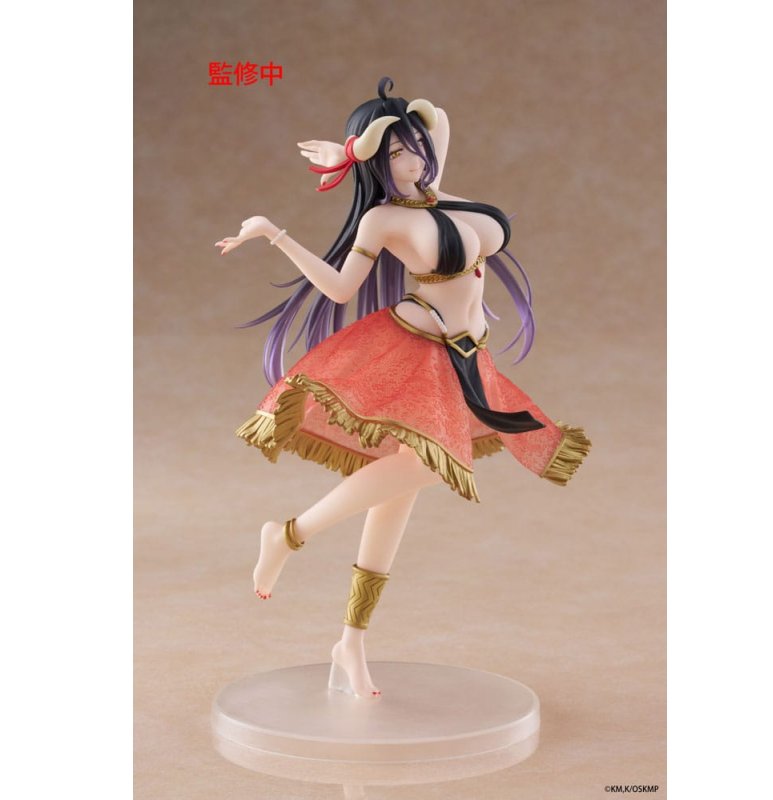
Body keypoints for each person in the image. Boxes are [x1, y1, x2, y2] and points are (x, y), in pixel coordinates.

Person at [215, 78, 590, 699]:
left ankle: (351, 642)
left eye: (414, 146)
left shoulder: (439, 193)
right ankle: (287, 534)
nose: (412, 158)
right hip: (415, 350)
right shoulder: (382, 218)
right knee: (424, 468)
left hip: (466, 357)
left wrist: (384, 134)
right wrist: (274, 232)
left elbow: (437, 115)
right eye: (395, 153)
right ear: (375, 165)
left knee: (399, 498)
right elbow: (340, 287)